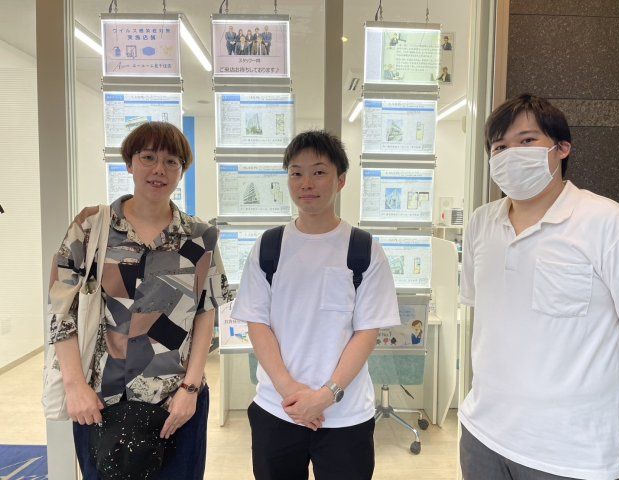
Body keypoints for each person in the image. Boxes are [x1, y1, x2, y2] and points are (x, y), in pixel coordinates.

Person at [459, 93, 619, 480]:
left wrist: (588, 385)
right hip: (482, 435)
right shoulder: (481, 223)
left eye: (526, 140)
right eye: (499, 147)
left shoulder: (611, 225)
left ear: (562, 148)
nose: (511, 154)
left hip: (572, 454)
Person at [48, 121, 230, 479]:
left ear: (181, 171)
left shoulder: (199, 237)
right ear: (130, 163)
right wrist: (74, 385)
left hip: (175, 401)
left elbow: (205, 312)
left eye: (172, 161)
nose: (159, 169)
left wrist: (191, 387)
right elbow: (60, 310)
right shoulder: (91, 227)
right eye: (148, 157)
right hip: (100, 398)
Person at [232, 130, 400, 480]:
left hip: (345, 415)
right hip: (278, 410)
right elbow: (257, 324)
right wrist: (291, 391)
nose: (306, 183)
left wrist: (326, 395)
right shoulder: (269, 246)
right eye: (296, 173)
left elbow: (366, 333)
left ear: (341, 180)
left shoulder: (364, 249)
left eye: (319, 172)